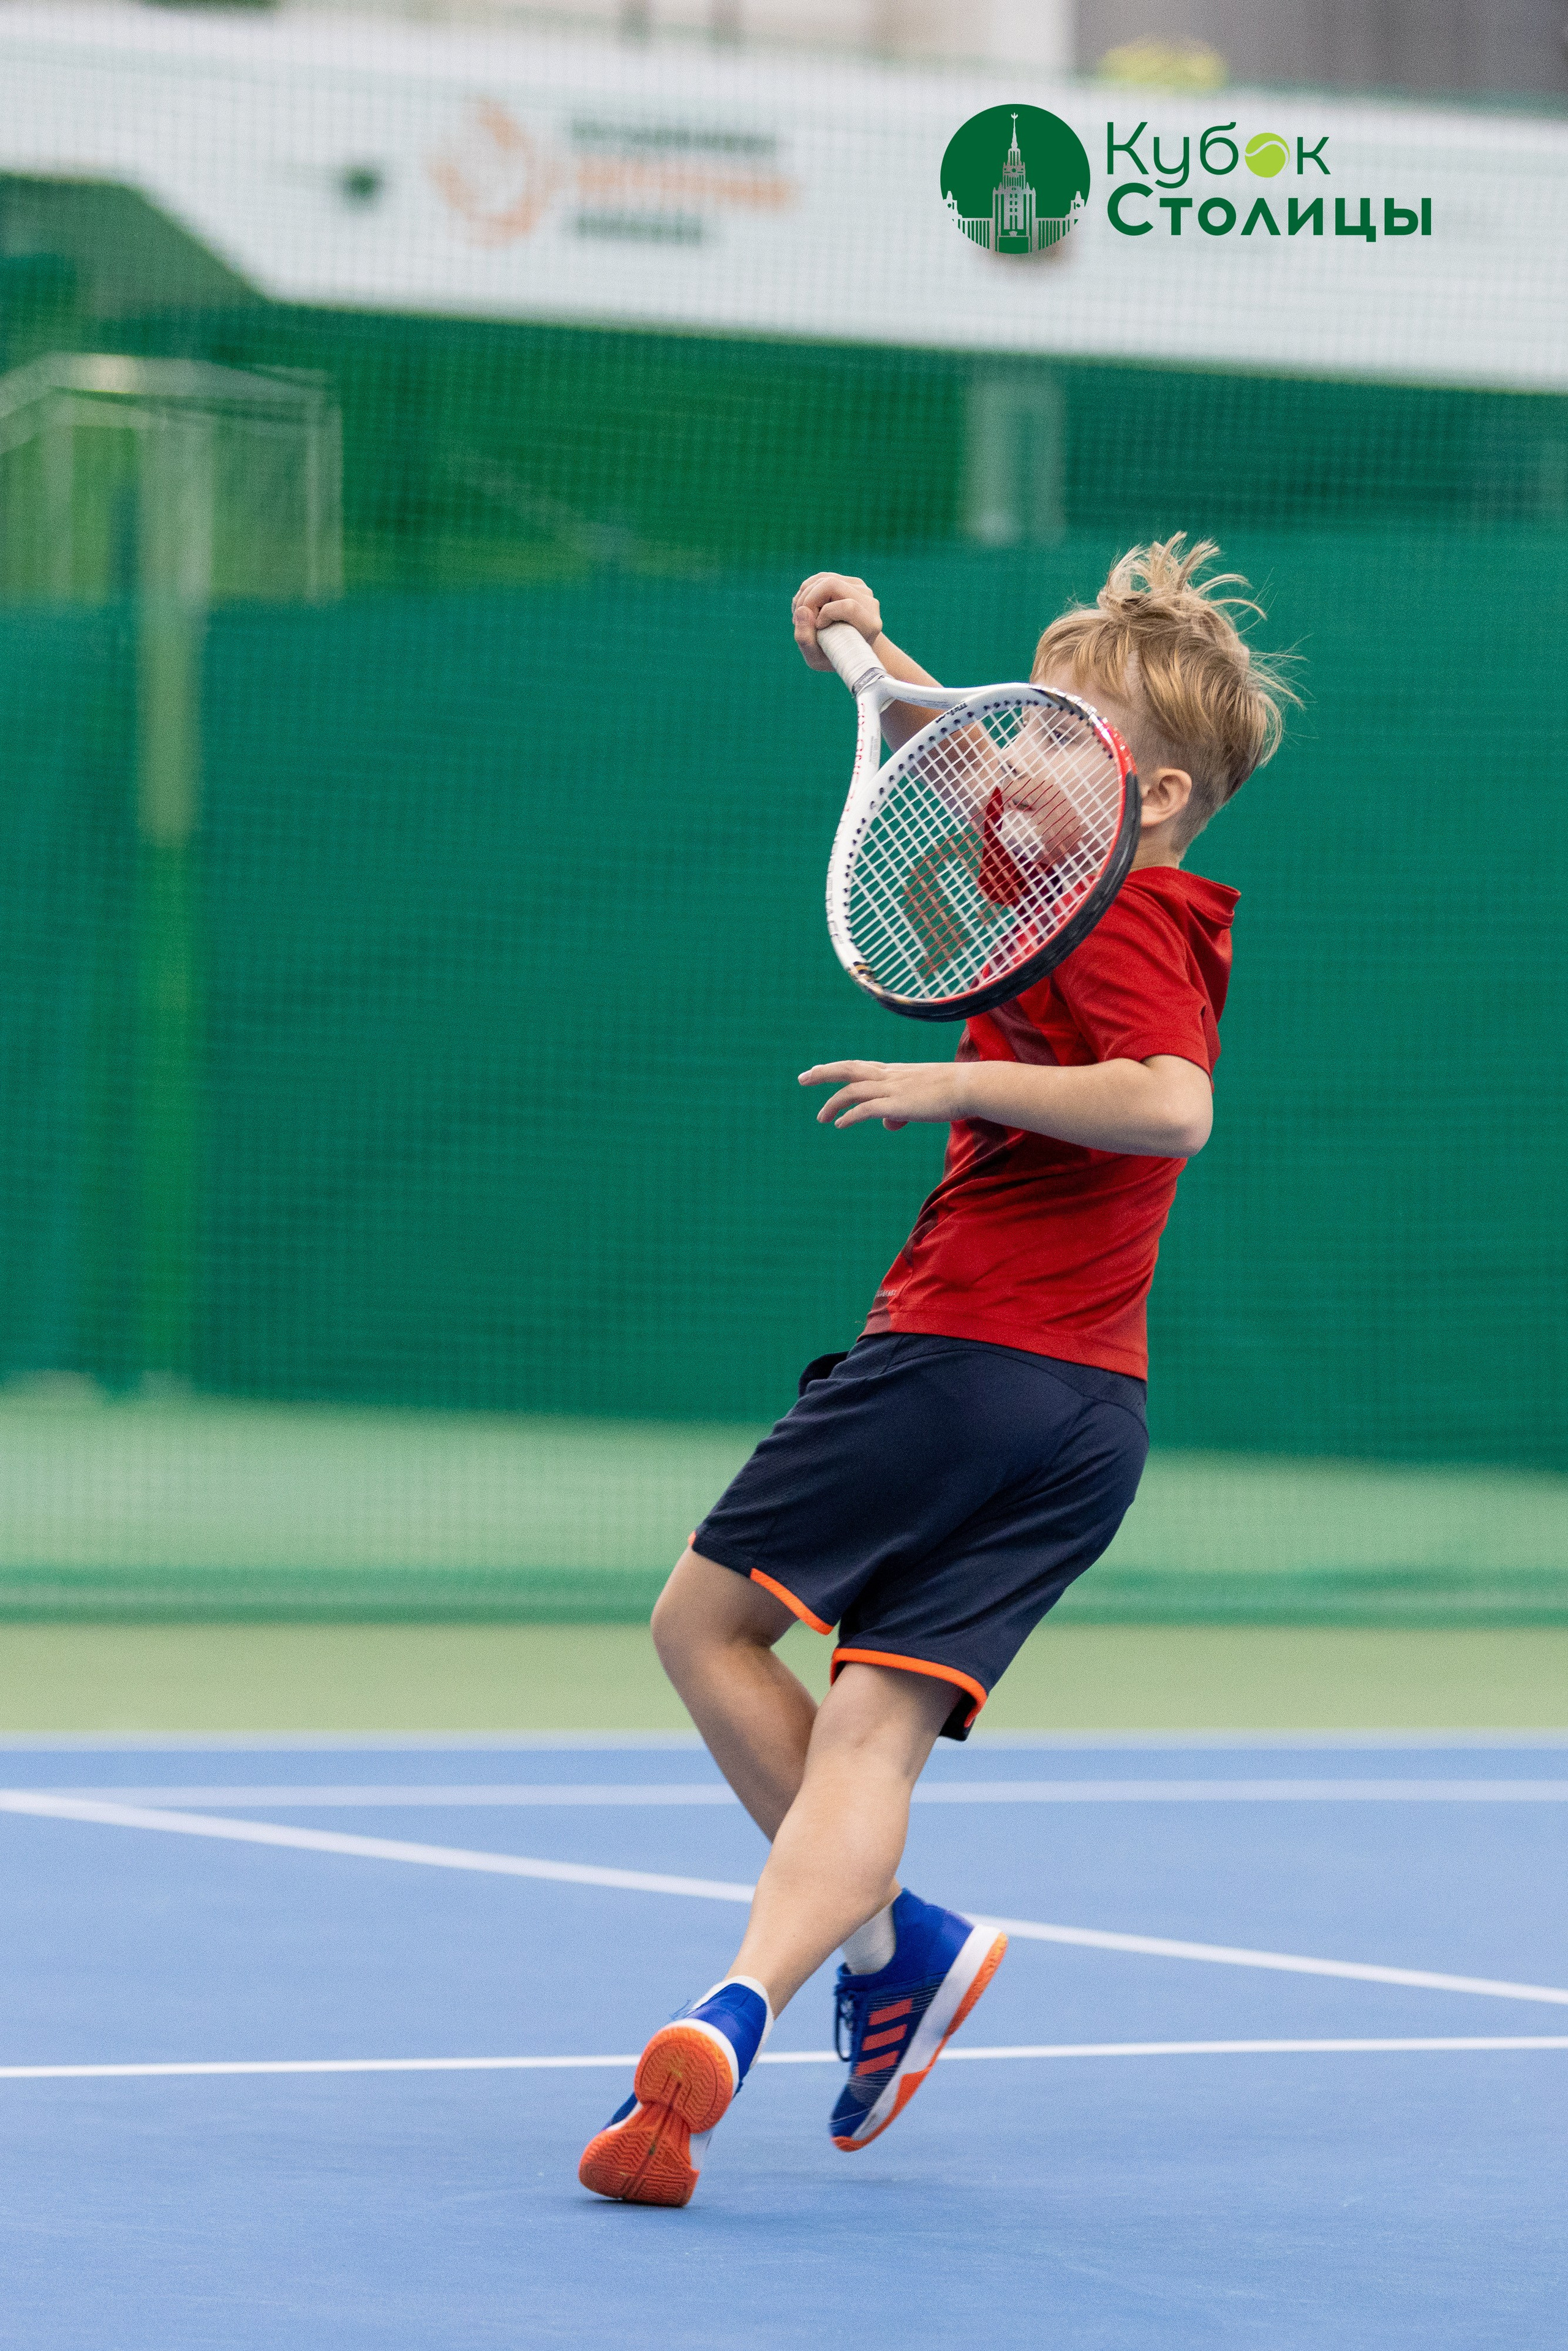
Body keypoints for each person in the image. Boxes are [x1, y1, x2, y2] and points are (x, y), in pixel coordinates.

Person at [579, 535, 1297, 2208]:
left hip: (964, 1361)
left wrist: (949, 1088)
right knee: (866, 1747)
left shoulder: (1110, 918)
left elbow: (1173, 1105)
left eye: (1062, 734)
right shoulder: (1123, 887)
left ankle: (892, 1944)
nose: (1019, 751)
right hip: (1085, 1422)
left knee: (701, 1626)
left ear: (1163, 794)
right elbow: (962, 760)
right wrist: (875, 651)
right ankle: (756, 2008)